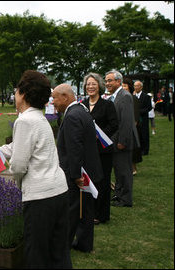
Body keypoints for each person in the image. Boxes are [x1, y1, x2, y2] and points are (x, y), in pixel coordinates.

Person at [0, 70, 72, 268]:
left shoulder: (24, 121)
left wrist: (13, 170)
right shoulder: (39, 118)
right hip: (59, 191)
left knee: (36, 253)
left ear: (23, 93)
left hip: (41, 198)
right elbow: (14, 148)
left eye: (16, 91)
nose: (14, 95)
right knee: (58, 251)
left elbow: (19, 165)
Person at [52, 83, 103, 253]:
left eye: (55, 99)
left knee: (73, 210)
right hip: (88, 170)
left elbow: (75, 149)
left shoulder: (73, 116)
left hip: (79, 173)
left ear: (65, 97)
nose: (53, 103)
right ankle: (84, 244)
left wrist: (75, 175)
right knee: (86, 210)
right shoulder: (81, 110)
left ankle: (63, 246)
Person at [82, 73, 118, 225]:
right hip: (86, 151)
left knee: (102, 182)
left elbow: (114, 124)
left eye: (93, 84)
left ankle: (100, 214)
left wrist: (100, 135)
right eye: (88, 84)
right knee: (88, 181)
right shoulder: (82, 104)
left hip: (102, 150)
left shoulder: (107, 105)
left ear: (99, 86)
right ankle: (87, 212)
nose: (90, 87)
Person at [105, 70, 138, 207]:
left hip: (122, 142)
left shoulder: (124, 96)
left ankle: (125, 199)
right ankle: (118, 195)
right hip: (115, 141)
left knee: (124, 171)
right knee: (118, 170)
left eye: (110, 81)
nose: (107, 83)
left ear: (118, 81)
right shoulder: (115, 96)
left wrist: (122, 142)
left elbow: (126, 121)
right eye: (106, 81)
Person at [122, 78, 142, 175]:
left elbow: (135, 117)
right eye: (122, 86)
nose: (123, 88)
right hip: (123, 128)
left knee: (132, 150)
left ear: (129, 86)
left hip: (132, 129)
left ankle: (133, 169)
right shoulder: (122, 98)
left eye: (125, 86)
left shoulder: (133, 98)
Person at [134, 81, 152, 156]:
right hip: (135, 119)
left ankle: (145, 150)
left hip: (143, 119)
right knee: (137, 134)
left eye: (137, 86)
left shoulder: (146, 96)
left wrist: (139, 112)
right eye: (134, 86)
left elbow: (149, 107)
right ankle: (139, 149)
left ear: (141, 87)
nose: (135, 87)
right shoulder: (133, 96)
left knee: (144, 134)